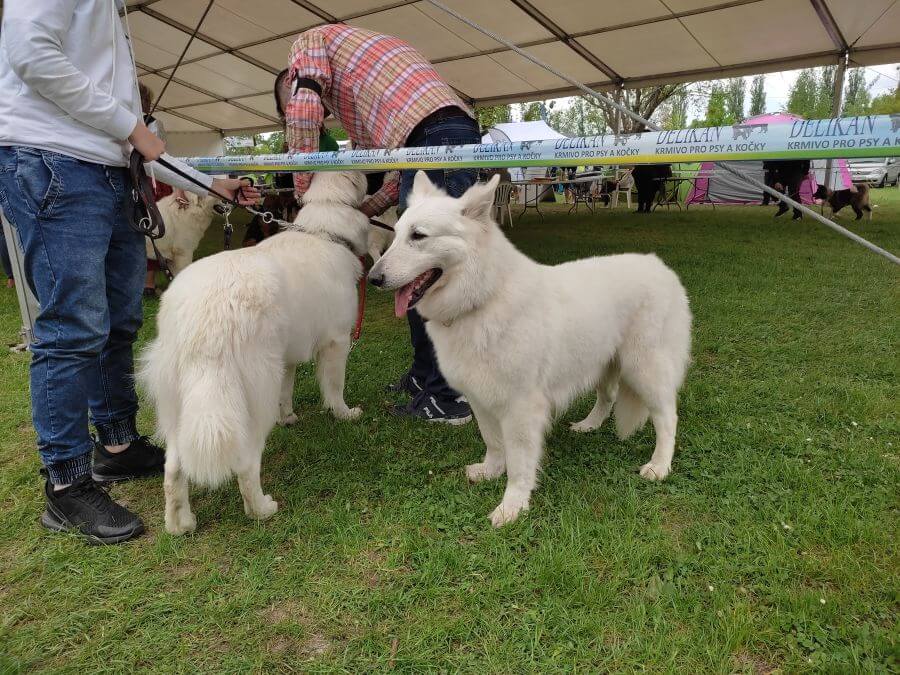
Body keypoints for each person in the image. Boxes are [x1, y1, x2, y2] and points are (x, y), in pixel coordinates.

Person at [0, 0, 260, 544]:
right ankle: (66, 486)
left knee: (119, 320)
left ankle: (116, 446)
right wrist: (130, 126)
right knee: (72, 329)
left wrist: (208, 184)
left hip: (107, 170)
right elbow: (31, 53)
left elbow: (136, 140)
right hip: (54, 162)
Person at [277, 25, 482, 425]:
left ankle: (448, 396)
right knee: (414, 270)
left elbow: (302, 111)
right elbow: (392, 174)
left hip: (434, 137)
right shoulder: (371, 95)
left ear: (291, 78)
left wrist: (303, 186)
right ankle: (426, 377)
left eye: (285, 99)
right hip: (441, 131)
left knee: (439, 274)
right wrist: (364, 208)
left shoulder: (308, 43)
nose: (320, 114)